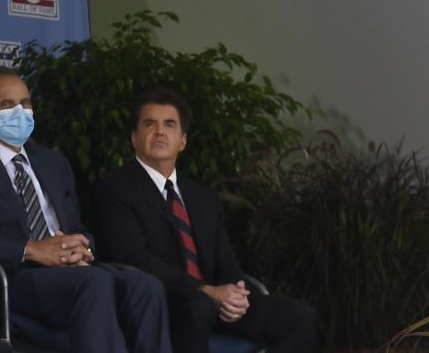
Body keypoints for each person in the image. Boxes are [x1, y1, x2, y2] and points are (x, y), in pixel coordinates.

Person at [93, 88, 317, 353]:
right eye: (150, 124)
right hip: (162, 303)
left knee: (300, 316)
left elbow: (224, 260)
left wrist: (236, 294)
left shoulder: (202, 197)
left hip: (213, 302)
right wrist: (206, 291)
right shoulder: (117, 189)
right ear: (134, 137)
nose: (160, 132)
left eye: (169, 124)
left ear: (183, 140)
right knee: (197, 306)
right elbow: (134, 259)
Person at [0, 67, 170, 353]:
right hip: (14, 276)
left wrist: (81, 247)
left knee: (146, 287)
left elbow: (77, 226)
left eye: (25, 104)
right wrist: (30, 249)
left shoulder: (52, 162)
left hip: (71, 270)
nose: (20, 112)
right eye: (6, 105)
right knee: (93, 281)